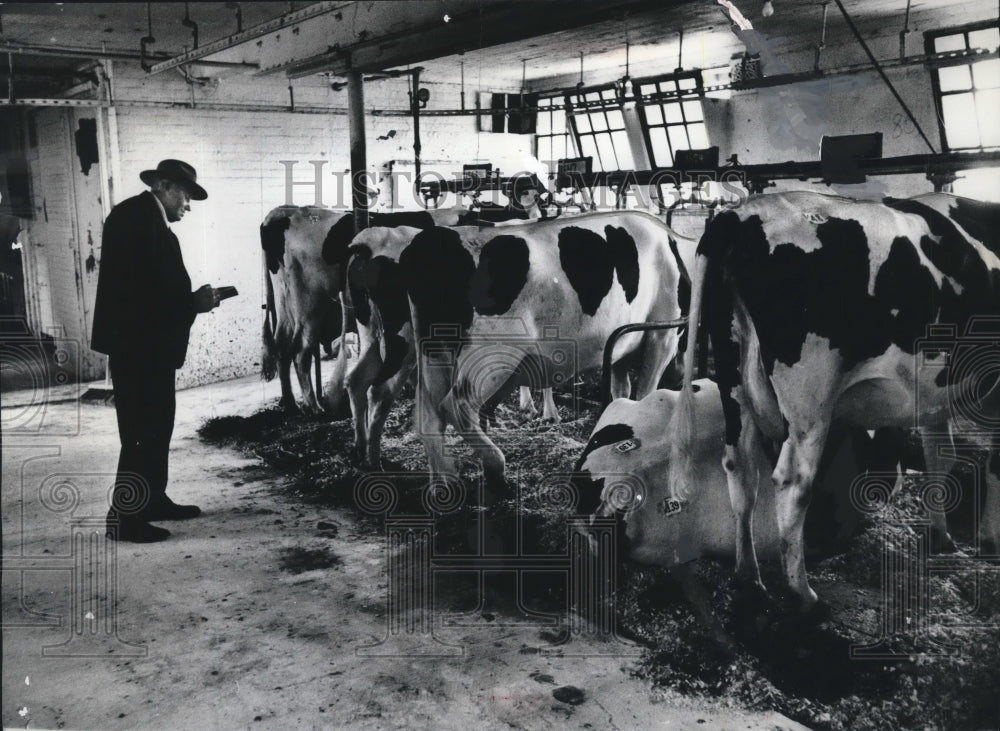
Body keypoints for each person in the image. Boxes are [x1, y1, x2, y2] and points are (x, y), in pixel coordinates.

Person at [91, 159, 222, 543]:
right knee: (139, 432)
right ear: (164, 186)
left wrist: (193, 301)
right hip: (138, 347)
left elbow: (154, 289)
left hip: (150, 346)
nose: (188, 204)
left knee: (157, 427)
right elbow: (136, 296)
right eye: (185, 194)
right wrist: (191, 304)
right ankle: (124, 517)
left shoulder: (147, 220)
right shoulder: (135, 219)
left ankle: (152, 499)